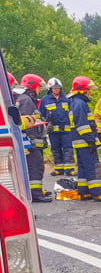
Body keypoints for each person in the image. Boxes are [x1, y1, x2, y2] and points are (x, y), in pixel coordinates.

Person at [68, 76, 101, 202]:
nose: (90, 92)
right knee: (93, 166)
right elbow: (83, 126)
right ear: (82, 90)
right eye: (88, 89)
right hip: (85, 141)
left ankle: (84, 192)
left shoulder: (76, 103)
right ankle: (97, 193)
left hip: (80, 142)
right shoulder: (80, 104)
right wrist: (91, 140)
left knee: (83, 167)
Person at [16, 74, 51, 202]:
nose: (40, 90)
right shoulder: (26, 100)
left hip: (31, 142)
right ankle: (36, 194)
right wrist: (32, 141)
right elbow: (28, 122)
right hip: (31, 143)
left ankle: (35, 192)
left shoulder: (26, 99)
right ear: (31, 86)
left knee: (33, 167)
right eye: (38, 87)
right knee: (35, 167)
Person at [40, 77, 75, 176]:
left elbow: (72, 113)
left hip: (66, 130)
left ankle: (69, 169)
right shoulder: (45, 100)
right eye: (54, 88)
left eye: (58, 88)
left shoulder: (66, 99)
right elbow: (41, 114)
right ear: (50, 89)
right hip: (53, 130)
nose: (56, 89)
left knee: (68, 148)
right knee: (55, 149)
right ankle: (59, 169)